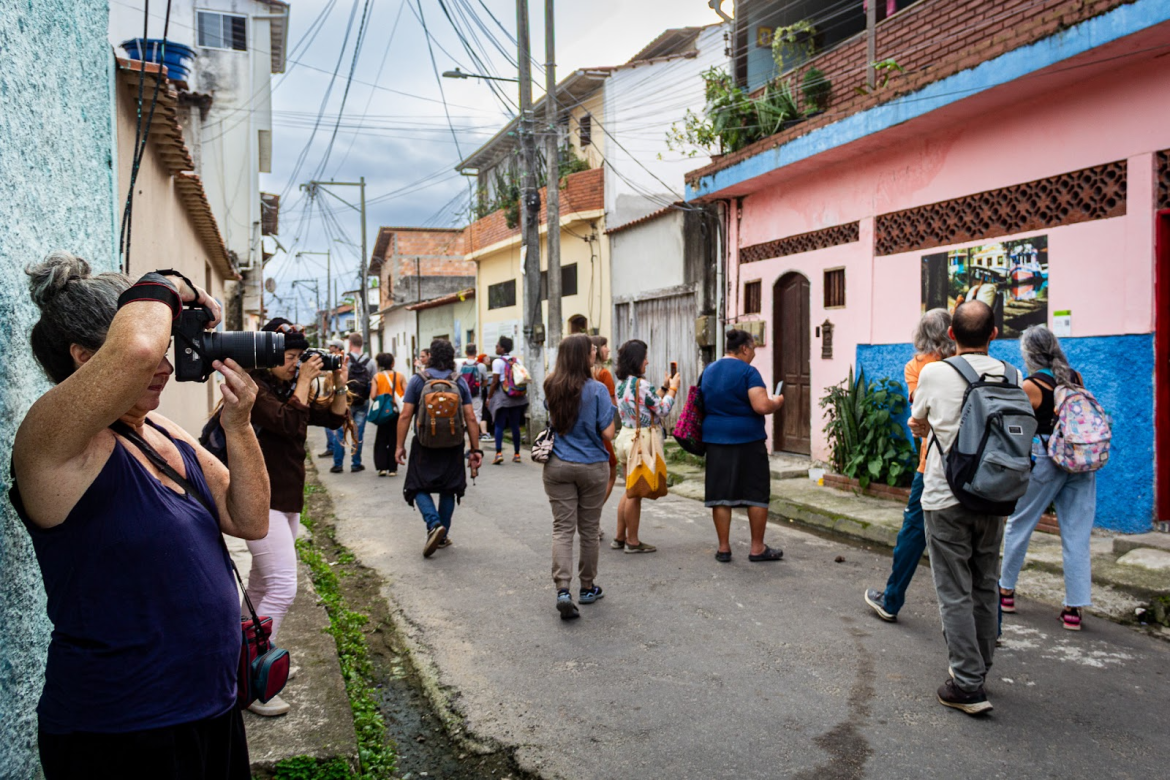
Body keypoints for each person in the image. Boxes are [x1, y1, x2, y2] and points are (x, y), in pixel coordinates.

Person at [11, 253, 269, 776]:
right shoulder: (51, 444)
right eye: (158, 352)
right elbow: (138, 348)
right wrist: (170, 283)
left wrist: (239, 425)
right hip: (119, 730)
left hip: (212, 708)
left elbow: (249, 519)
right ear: (86, 359)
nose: (166, 367)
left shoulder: (159, 430)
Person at [909, 300, 1018, 715]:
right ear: (994, 334)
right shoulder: (1011, 374)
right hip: (993, 495)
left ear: (951, 335)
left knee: (954, 590)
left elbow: (918, 420)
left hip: (945, 496)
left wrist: (926, 426)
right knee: (985, 583)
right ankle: (981, 667)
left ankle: (967, 683)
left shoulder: (935, 373)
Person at [247, 318, 348, 715]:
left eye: (299, 357)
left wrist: (339, 382)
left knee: (260, 586)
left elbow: (334, 418)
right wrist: (305, 380)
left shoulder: (287, 388)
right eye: (288, 357)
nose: (295, 364)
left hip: (286, 502)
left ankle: (242, 660)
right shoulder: (253, 388)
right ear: (266, 356)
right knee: (283, 588)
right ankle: (254, 679)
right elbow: (288, 422)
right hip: (260, 501)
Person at [998, 325, 1094, 631]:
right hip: (1079, 459)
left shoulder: (1031, 385)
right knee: (1077, 534)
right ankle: (1073, 610)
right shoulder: (1075, 377)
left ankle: (1005, 592)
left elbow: (1017, 427)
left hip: (1046, 459)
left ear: (1029, 354)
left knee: (1020, 522)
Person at [865, 309, 956, 622]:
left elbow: (920, 414)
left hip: (931, 464)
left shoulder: (917, 366)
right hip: (972, 464)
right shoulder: (965, 362)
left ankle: (891, 601)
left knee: (913, 532)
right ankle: (990, 623)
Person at [542, 335, 617, 620]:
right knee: (588, 529)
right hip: (592, 466)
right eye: (592, 350)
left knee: (562, 529)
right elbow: (608, 433)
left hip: (558, 465)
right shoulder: (597, 389)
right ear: (584, 356)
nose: (595, 353)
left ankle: (563, 590)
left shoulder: (551, 384)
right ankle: (587, 588)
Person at [699, 329, 784, 563]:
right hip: (748, 440)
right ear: (744, 349)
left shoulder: (708, 370)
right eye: (753, 349)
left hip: (715, 440)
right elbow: (761, 406)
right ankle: (757, 548)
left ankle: (723, 548)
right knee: (755, 493)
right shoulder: (748, 372)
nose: (754, 354)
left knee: (720, 495)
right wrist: (777, 402)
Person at [396, 339, 484, 557]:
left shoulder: (418, 381)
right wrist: (475, 450)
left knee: (417, 485)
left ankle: (434, 524)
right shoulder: (459, 381)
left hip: (424, 444)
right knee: (449, 488)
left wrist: (399, 446)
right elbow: (470, 417)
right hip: (453, 444)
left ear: (431, 356)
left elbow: (405, 415)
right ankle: (442, 535)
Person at [611, 339, 678, 554]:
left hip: (625, 438)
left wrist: (664, 388)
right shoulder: (642, 385)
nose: (647, 362)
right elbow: (662, 410)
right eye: (644, 358)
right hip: (640, 441)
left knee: (629, 490)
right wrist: (673, 390)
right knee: (635, 493)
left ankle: (619, 537)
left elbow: (646, 404)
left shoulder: (622, 384)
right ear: (636, 360)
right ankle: (632, 541)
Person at [333, 332, 372, 474]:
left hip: (345, 401)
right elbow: (372, 382)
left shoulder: (345, 360)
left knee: (340, 431)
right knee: (358, 433)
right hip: (362, 402)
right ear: (362, 344)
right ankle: (356, 463)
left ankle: (338, 464)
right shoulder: (370, 362)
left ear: (350, 343)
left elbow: (337, 379)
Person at [488, 335, 528, 464]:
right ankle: (517, 454)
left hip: (503, 396)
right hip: (517, 397)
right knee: (515, 425)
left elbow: (494, 382)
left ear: (502, 348)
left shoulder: (497, 362)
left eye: (497, 345)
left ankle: (498, 453)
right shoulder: (517, 360)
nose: (496, 347)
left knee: (499, 425)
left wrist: (489, 397)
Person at [590, 335, 619, 507]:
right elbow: (611, 406)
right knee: (611, 473)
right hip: (601, 431)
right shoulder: (604, 374)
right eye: (604, 346)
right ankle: (594, 511)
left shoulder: (584, 374)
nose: (608, 349)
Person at [371, 352, 405, 477]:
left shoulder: (376, 377)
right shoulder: (400, 376)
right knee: (394, 438)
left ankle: (382, 468)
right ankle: (392, 469)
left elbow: (373, 396)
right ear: (393, 363)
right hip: (395, 411)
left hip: (382, 412)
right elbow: (406, 392)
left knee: (381, 439)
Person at [319, 338, 347, 458]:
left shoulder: (341, 363)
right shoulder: (329, 360)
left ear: (338, 349)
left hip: (336, 395)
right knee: (330, 426)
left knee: (336, 426)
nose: (330, 349)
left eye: (332, 347)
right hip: (329, 394)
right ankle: (333, 448)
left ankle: (337, 453)